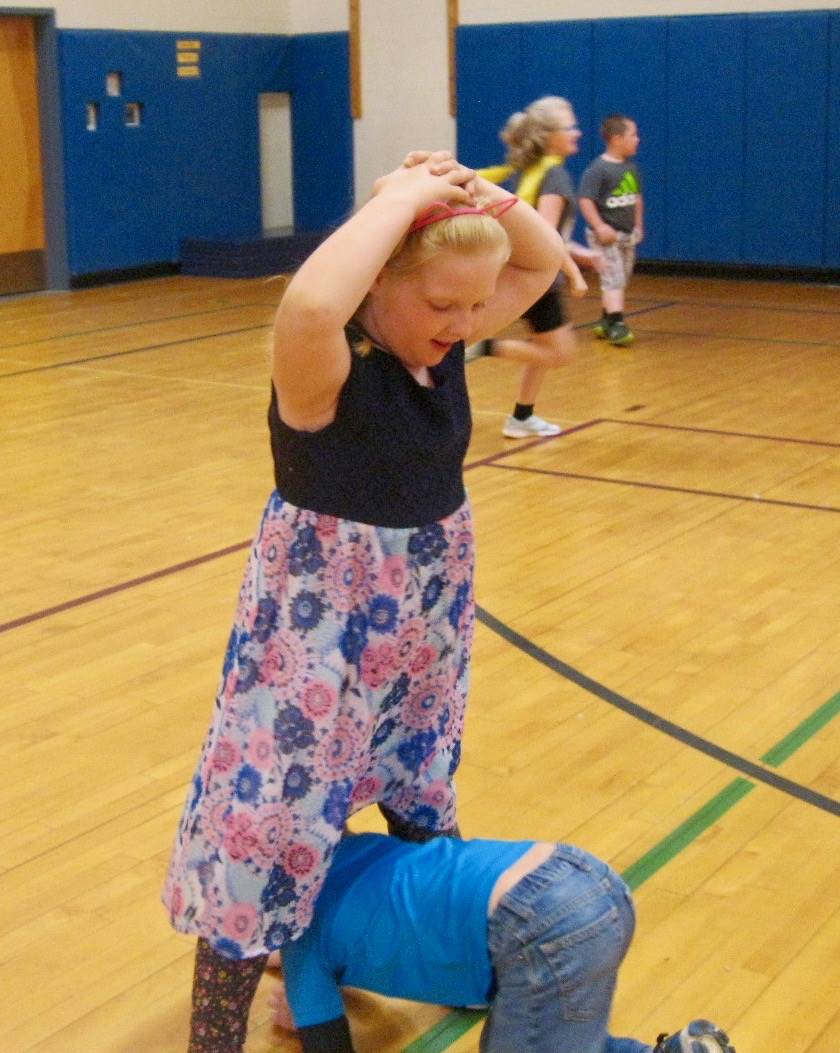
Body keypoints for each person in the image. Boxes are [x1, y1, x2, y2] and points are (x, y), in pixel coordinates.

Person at [161, 150, 567, 1053]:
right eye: (441, 305)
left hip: (422, 618)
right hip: (319, 636)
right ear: (378, 281)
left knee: (420, 788)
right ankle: (213, 1036)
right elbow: (310, 301)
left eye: (473, 306)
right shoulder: (323, 367)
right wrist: (402, 198)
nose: (462, 324)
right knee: (266, 823)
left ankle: (438, 951)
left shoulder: (441, 343)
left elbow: (539, 267)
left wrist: (477, 189)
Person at [267, 831, 736, 1053]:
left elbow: (329, 1045)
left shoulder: (301, 942)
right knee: (560, 1036)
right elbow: (380, 923)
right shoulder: (356, 848)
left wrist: (306, 1008)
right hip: (590, 881)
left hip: (540, 928)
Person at [472, 95, 603, 439]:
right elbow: (544, 238)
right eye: (570, 127)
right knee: (559, 352)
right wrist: (576, 269)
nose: (577, 132)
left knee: (540, 346)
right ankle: (480, 348)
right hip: (534, 280)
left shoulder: (532, 172)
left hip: (523, 273)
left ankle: (522, 416)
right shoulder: (554, 176)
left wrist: (583, 257)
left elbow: (544, 234)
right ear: (548, 135)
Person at [578, 114, 644, 347]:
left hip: (627, 235)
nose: (638, 139)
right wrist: (599, 226)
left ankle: (606, 320)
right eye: (633, 135)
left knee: (621, 277)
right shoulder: (599, 169)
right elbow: (585, 200)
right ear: (616, 139)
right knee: (613, 278)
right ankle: (617, 323)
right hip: (605, 237)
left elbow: (636, 197)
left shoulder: (630, 168)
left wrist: (638, 224)